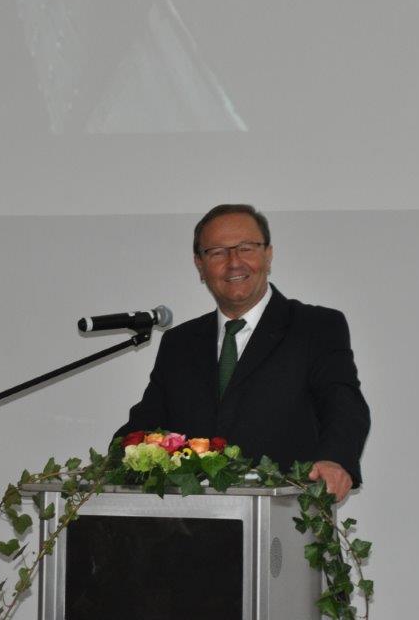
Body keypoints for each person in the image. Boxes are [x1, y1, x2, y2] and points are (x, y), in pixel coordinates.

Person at [114, 204, 370, 500]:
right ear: (200, 265)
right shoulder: (179, 343)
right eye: (217, 252)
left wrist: (335, 460)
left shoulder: (315, 327)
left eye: (246, 248)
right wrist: (115, 460)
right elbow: (144, 426)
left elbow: (344, 405)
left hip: (288, 514)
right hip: (192, 521)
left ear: (268, 255)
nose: (234, 262)